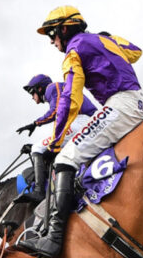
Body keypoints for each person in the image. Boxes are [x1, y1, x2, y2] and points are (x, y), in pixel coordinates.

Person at [18, 5, 143, 258]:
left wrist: (55, 141)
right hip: (137, 103)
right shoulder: (100, 40)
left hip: (120, 105)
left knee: (65, 158)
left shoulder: (73, 51)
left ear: (64, 29)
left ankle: (53, 239)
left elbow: (70, 99)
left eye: (52, 35)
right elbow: (135, 52)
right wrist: (107, 39)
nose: (52, 42)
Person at [14, 74, 97, 204]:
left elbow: (55, 112)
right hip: (84, 122)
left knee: (38, 148)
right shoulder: (55, 91)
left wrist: (35, 123)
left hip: (81, 121)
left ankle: (39, 191)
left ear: (39, 89)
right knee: (46, 149)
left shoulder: (52, 88)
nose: (32, 97)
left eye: (32, 92)